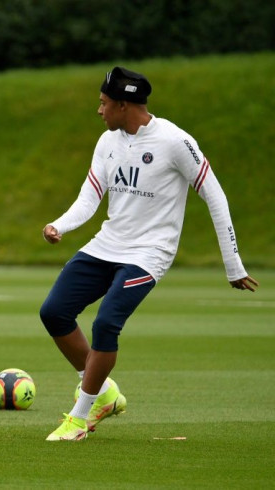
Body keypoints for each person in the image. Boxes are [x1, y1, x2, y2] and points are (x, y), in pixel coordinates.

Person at [40, 66, 259, 441]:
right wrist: (60, 225)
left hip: (149, 253)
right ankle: (103, 392)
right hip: (107, 244)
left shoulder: (175, 141)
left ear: (124, 106)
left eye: (104, 103)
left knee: (106, 323)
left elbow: (215, 196)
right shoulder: (107, 141)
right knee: (54, 311)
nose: (99, 111)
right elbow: (90, 196)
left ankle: (79, 418)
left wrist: (233, 265)